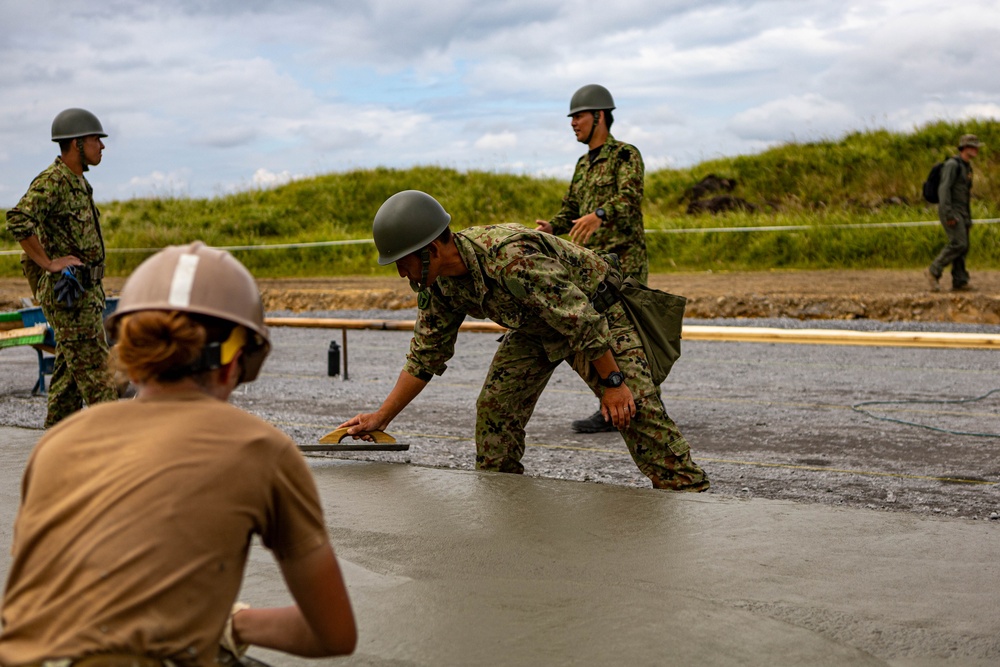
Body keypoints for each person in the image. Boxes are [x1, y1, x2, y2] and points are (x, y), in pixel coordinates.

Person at [0, 242, 357, 666]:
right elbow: (333, 633)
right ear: (235, 364)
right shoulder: (262, 449)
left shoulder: (58, 444)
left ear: (132, 359)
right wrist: (232, 624)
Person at [340, 190, 708, 492]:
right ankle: (505, 497)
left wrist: (613, 384)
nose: (402, 273)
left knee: (634, 409)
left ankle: (687, 491)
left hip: (596, 313)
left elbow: (579, 320)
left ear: (432, 249)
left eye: (403, 262)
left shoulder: (509, 258)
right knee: (495, 410)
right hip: (535, 326)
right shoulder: (438, 284)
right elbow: (425, 356)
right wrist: (381, 417)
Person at [535, 84, 649, 433]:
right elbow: (572, 208)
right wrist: (552, 227)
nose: (573, 123)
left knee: (628, 337)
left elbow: (629, 197)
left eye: (579, 116)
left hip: (625, 264)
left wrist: (600, 213)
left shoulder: (625, 155)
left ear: (599, 116)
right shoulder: (583, 164)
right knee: (599, 335)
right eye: (572, 118)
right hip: (591, 267)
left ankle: (637, 406)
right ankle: (615, 406)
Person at [5, 108, 117, 427]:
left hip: (85, 294)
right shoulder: (53, 181)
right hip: (71, 298)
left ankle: (55, 445)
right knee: (100, 380)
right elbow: (18, 218)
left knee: (69, 381)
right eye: (97, 139)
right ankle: (121, 452)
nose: (102, 146)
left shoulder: (79, 182)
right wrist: (49, 263)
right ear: (77, 143)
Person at [925, 134, 983, 292]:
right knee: (959, 243)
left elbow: (965, 194)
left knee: (964, 246)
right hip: (951, 210)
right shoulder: (952, 165)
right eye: (973, 146)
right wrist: (948, 214)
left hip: (962, 212)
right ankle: (933, 271)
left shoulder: (967, 167)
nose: (977, 149)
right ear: (965, 148)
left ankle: (960, 280)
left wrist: (968, 218)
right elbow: (944, 190)